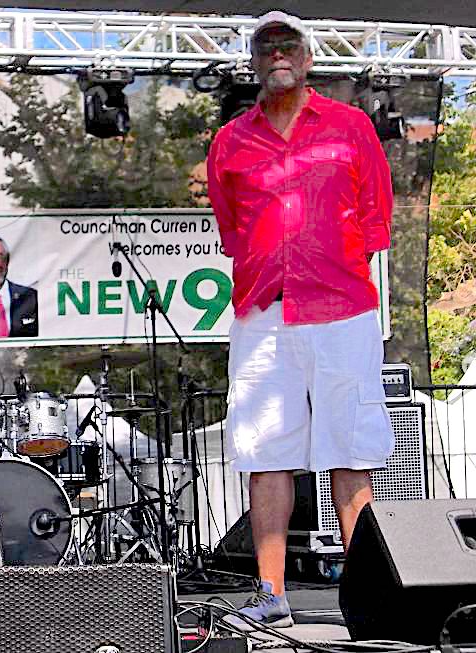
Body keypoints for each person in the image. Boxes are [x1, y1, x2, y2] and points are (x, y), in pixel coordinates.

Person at [206, 11, 394, 629]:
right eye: (267, 47)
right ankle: (271, 596)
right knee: (266, 452)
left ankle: (370, 599)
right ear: (254, 62)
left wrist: (330, 262)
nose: (278, 54)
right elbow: (234, 230)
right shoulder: (231, 141)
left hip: (342, 308)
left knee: (349, 449)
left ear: (309, 59)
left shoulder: (351, 126)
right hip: (264, 310)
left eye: (289, 45)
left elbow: (376, 216)